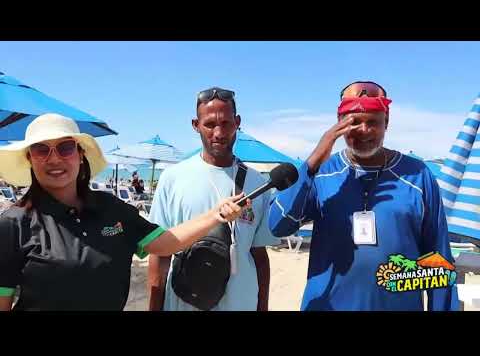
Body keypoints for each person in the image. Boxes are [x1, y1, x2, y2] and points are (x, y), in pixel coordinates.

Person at [0, 113, 249, 311]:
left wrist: (215, 215)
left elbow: (165, 243)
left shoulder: (111, 209)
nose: (54, 159)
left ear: (80, 155)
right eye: (42, 150)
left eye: (65, 147)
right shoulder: (13, 224)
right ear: (30, 159)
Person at [268, 81, 458, 311]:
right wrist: (313, 161)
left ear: (386, 122)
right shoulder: (320, 173)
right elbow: (278, 225)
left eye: (373, 122)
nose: (364, 130)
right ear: (339, 125)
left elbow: (438, 258)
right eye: (354, 122)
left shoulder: (418, 176)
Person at [147, 87, 280, 311]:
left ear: (237, 122)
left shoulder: (258, 183)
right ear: (195, 125)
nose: (218, 133)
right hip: (184, 302)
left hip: (241, 304)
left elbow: (259, 255)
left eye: (226, 123)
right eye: (209, 124)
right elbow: (159, 254)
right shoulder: (172, 178)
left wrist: (263, 306)